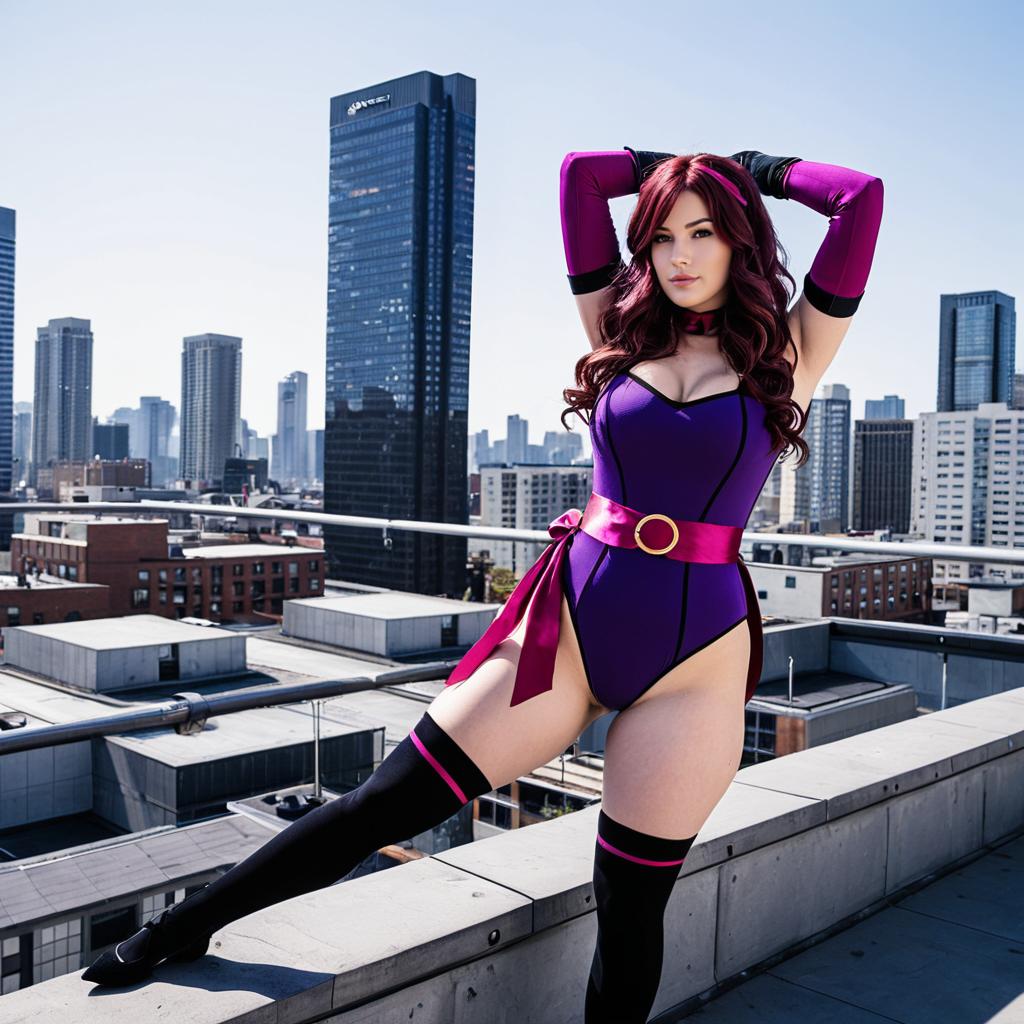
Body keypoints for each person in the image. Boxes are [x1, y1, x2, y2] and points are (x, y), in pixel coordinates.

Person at [83, 146, 883, 1024]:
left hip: (693, 667)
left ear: (739, 240)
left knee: (628, 910)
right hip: (566, 633)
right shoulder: (617, 324)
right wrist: (673, 167)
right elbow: (581, 174)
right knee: (380, 804)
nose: (678, 255)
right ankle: (189, 924)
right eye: (658, 235)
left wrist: (748, 168)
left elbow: (859, 200)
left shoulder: (791, 356)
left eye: (701, 232)